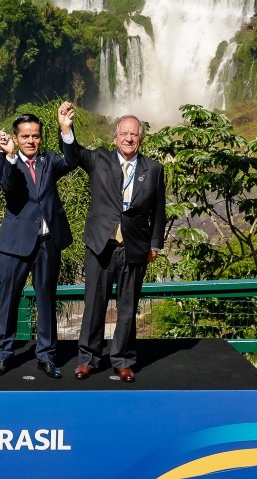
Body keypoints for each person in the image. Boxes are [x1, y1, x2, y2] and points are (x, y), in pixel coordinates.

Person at [60, 102, 166, 383]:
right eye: (124, 133)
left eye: (134, 134)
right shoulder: (100, 160)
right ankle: (88, 359)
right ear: (115, 138)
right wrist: (66, 129)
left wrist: (155, 245)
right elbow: (74, 155)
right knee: (94, 304)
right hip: (100, 245)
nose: (129, 138)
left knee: (128, 307)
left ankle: (123, 360)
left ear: (140, 139)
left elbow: (159, 211)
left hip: (134, 247)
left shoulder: (153, 169)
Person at [0, 112, 77, 379]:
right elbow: (8, 184)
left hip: (47, 242)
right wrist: (11, 156)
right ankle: (3, 356)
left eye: (35, 136)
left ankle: (47, 356)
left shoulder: (49, 160)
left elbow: (72, 161)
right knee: (9, 300)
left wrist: (66, 129)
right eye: (25, 136)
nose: (31, 140)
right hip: (15, 244)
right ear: (16, 138)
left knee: (46, 300)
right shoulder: (9, 161)